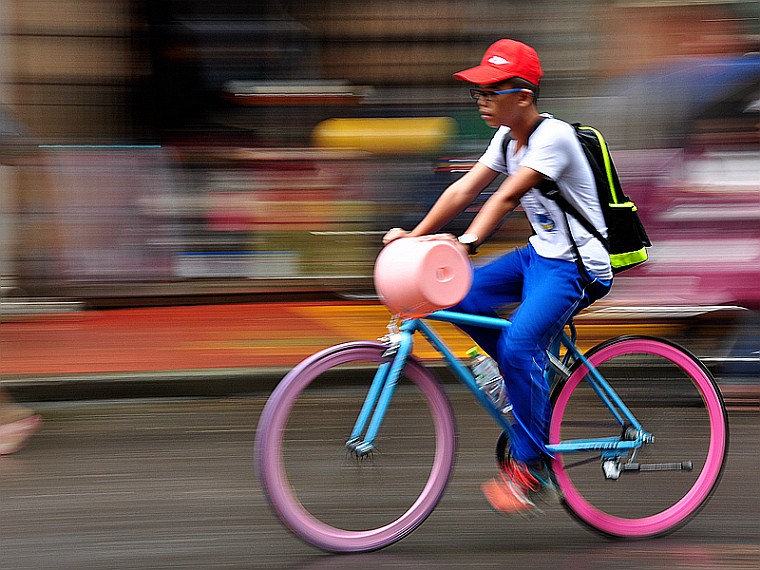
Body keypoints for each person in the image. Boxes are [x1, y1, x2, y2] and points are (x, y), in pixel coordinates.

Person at [383, 39, 613, 516]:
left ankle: (533, 466)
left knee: (519, 344)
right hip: (539, 255)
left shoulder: (553, 138)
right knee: (453, 294)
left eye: (492, 91)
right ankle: (520, 374)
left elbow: (505, 197)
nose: (482, 100)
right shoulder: (507, 138)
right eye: (478, 92)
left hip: (576, 266)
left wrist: (466, 243)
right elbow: (464, 189)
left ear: (524, 95)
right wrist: (414, 236)